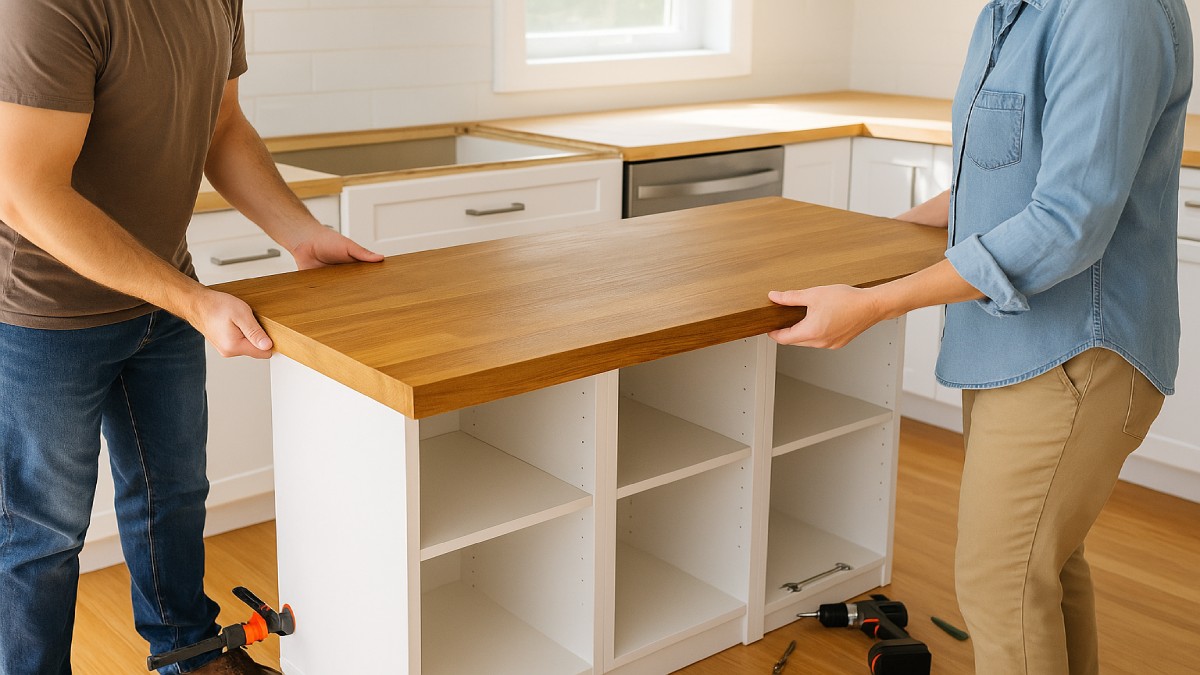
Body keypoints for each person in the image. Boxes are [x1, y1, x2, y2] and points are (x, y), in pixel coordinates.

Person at [768, 0, 1192, 673]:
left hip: (1073, 353)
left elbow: (1066, 222)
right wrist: (874, 243)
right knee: (1043, 566)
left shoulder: (1108, 13)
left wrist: (876, 304)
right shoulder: (1010, 13)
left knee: (1001, 581)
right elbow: (999, 183)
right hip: (1015, 343)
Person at [0, 0, 383, 673]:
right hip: (44, 318)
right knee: (42, 536)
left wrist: (301, 232)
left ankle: (193, 656)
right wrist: (191, 300)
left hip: (163, 300)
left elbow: (222, 127)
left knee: (173, 498)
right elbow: (25, 190)